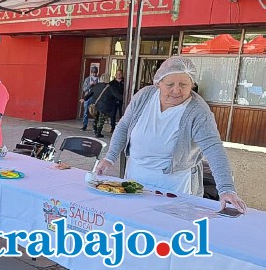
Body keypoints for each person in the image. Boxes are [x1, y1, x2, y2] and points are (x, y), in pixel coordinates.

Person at [95, 57, 247, 213]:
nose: (176, 90)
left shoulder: (198, 111)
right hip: (135, 177)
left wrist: (226, 188)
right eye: (170, 85)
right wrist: (110, 157)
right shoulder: (144, 96)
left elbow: (213, 148)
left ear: (192, 84)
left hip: (174, 185)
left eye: (183, 85)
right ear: (158, 83)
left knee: (166, 228)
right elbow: (124, 126)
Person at [82, 74, 122, 138]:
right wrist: (122, 98)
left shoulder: (96, 85)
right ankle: (98, 133)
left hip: (95, 104)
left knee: (96, 117)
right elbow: (117, 95)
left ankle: (95, 129)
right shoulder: (109, 87)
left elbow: (90, 93)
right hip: (104, 105)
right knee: (101, 119)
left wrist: (84, 99)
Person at [80, 66, 99, 131]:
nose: (94, 74)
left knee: (95, 112)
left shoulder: (99, 80)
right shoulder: (88, 79)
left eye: (95, 73)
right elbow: (84, 89)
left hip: (95, 98)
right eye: (93, 73)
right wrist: (90, 85)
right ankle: (84, 125)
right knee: (86, 112)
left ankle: (94, 126)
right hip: (87, 97)